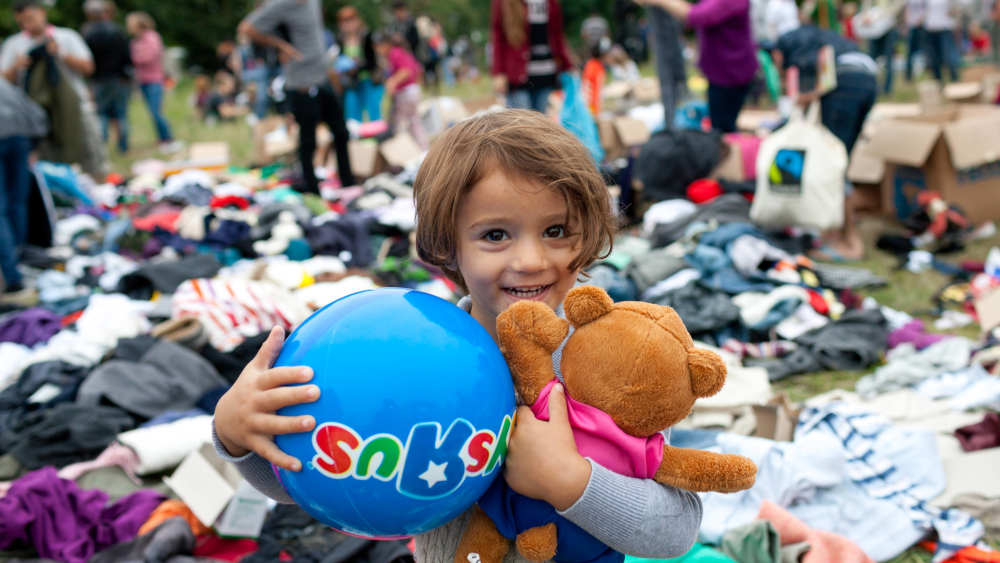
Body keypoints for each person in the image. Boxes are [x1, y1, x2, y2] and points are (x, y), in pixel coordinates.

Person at [212, 109, 703, 562]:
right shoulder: (413, 359)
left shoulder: (613, 357)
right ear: (448, 247)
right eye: (495, 235)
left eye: (556, 231)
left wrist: (571, 481)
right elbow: (321, 475)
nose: (531, 259)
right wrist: (236, 435)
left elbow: (677, 529)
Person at [773, 24, 879, 261]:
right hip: (868, 78)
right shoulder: (817, 36)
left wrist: (800, 102)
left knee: (832, 165)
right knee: (841, 158)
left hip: (846, 81)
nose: (777, 66)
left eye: (774, 60)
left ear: (777, 52)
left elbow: (815, 88)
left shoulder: (795, 46)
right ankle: (840, 224)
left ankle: (844, 240)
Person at [239, 0, 356, 194]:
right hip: (301, 80)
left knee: (341, 132)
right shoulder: (281, 5)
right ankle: (312, 188)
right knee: (308, 139)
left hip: (322, 76)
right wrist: (280, 46)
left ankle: (348, 183)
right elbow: (247, 28)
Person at [1, 0, 107, 179]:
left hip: (75, 108)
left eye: (29, 18)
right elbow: (4, 80)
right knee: (48, 162)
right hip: (36, 115)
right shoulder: (15, 44)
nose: (27, 24)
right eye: (21, 21)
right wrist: (17, 67)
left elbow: (89, 68)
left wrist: (61, 54)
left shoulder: (66, 36)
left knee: (88, 157)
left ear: (42, 12)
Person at [637, 0, 759, 133]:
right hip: (724, 71)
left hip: (731, 73)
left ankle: (727, 149)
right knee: (721, 122)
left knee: (722, 128)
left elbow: (697, 15)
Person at [0, 77, 47, 301]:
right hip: (19, 138)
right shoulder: (5, 85)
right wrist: (34, 143)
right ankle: (20, 255)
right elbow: (36, 112)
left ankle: (13, 278)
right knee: (16, 201)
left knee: (3, 208)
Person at [490, 0, 574, 113]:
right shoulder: (503, 2)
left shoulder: (551, 3)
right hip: (517, 76)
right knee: (521, 124)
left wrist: (567, 66)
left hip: (545, 73)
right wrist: (498, 72)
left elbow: (557, 36)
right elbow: (498, 38)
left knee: (539, 123)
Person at [125, 12, 182, 154]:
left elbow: (148, 57)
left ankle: (169, 139)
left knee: (156, 112)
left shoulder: (152, 37)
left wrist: (136, 58)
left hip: (155, 80)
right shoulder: (135, 41)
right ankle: (162, 139)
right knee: (152, 112)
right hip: (143, 81)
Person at [82, 0, 132, 154]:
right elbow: (127, 55)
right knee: (121, 113)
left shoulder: (87, 33)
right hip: (119, 78)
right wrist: (126, 74)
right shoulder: (117, 30)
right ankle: (123, 147)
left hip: (99, 79)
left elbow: (87, 59)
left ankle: (102, 146)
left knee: (101, 114)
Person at [373, 31, 428, 150]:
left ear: (387, 44)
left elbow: (406, 71)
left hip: (406, 92)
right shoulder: (399, 53)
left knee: (401, 124)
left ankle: (410, 151)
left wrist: (392, 82)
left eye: (379, 45)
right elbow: (417, 69)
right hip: (412, 90)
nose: (378, 49)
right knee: (413, 122)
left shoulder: (394, 53)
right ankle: (422, 149)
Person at [335, 6, 383, 123]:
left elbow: (373, 61)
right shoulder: (341, 39)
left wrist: (357, 66)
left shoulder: (366, 36)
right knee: (352, 113)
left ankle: (375, 137)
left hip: (369, 79)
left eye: (350, 20)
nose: (348, 24)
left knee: (373, 111)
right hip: (351, 82)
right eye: (344, 21)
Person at [924, 0, 960, 82]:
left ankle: (954, 79)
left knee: (948, 55)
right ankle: (938, 80)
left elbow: (955, 10)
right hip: (931, 28)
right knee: (934, 57)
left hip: (945, 28)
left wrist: (955, 19)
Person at [904, 0, 927, 81]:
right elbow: (907, 9)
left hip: (922, 26)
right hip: (911, 26)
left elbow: (927, 8)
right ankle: (908, 75)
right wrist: (907, 24)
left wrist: (921, 20)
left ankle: (924, 70)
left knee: (923, 51)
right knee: (909, 52)